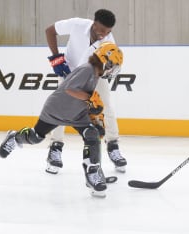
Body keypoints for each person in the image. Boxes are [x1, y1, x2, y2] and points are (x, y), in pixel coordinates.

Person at [0, 42, 123, 197]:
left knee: (92, 135)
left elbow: (86, 99)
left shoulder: (95, 75)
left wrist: (95, 118)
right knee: (35, 137)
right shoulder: (87, 69)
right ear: (105, 60)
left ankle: (93, 174)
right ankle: (15, 137)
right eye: (113, 65)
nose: (112, 70)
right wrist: (90, 98)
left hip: (77, 114)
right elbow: (70, 89)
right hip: (56, 110)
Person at [44, 9, 127, 174]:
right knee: (61, 110)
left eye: (108, 31)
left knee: (107, 108)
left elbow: (107, 65)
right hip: (68, 72)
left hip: (94, 75)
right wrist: (55, 57)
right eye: (102, 30)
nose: (105, 35)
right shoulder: (77, 24)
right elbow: (50, 31)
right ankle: (55, 148)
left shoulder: (108, 41)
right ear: (94, 23)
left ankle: (113, 146)